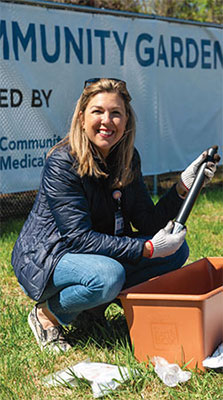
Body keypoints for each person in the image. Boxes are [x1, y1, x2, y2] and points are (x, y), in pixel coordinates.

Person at [11, 78, 218, 353]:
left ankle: (92, 309)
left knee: (177, 252)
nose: (107, 120)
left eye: (115, 113)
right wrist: (146, 249)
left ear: (126, 120)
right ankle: (47, 315)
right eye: (98, 111)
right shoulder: (62, 162)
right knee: (107, 276)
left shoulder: (127, 158)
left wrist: (183, 187)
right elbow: (78, 239)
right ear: (82, 117)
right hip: (48, 257)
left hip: (93, 251)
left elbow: (148, 222)